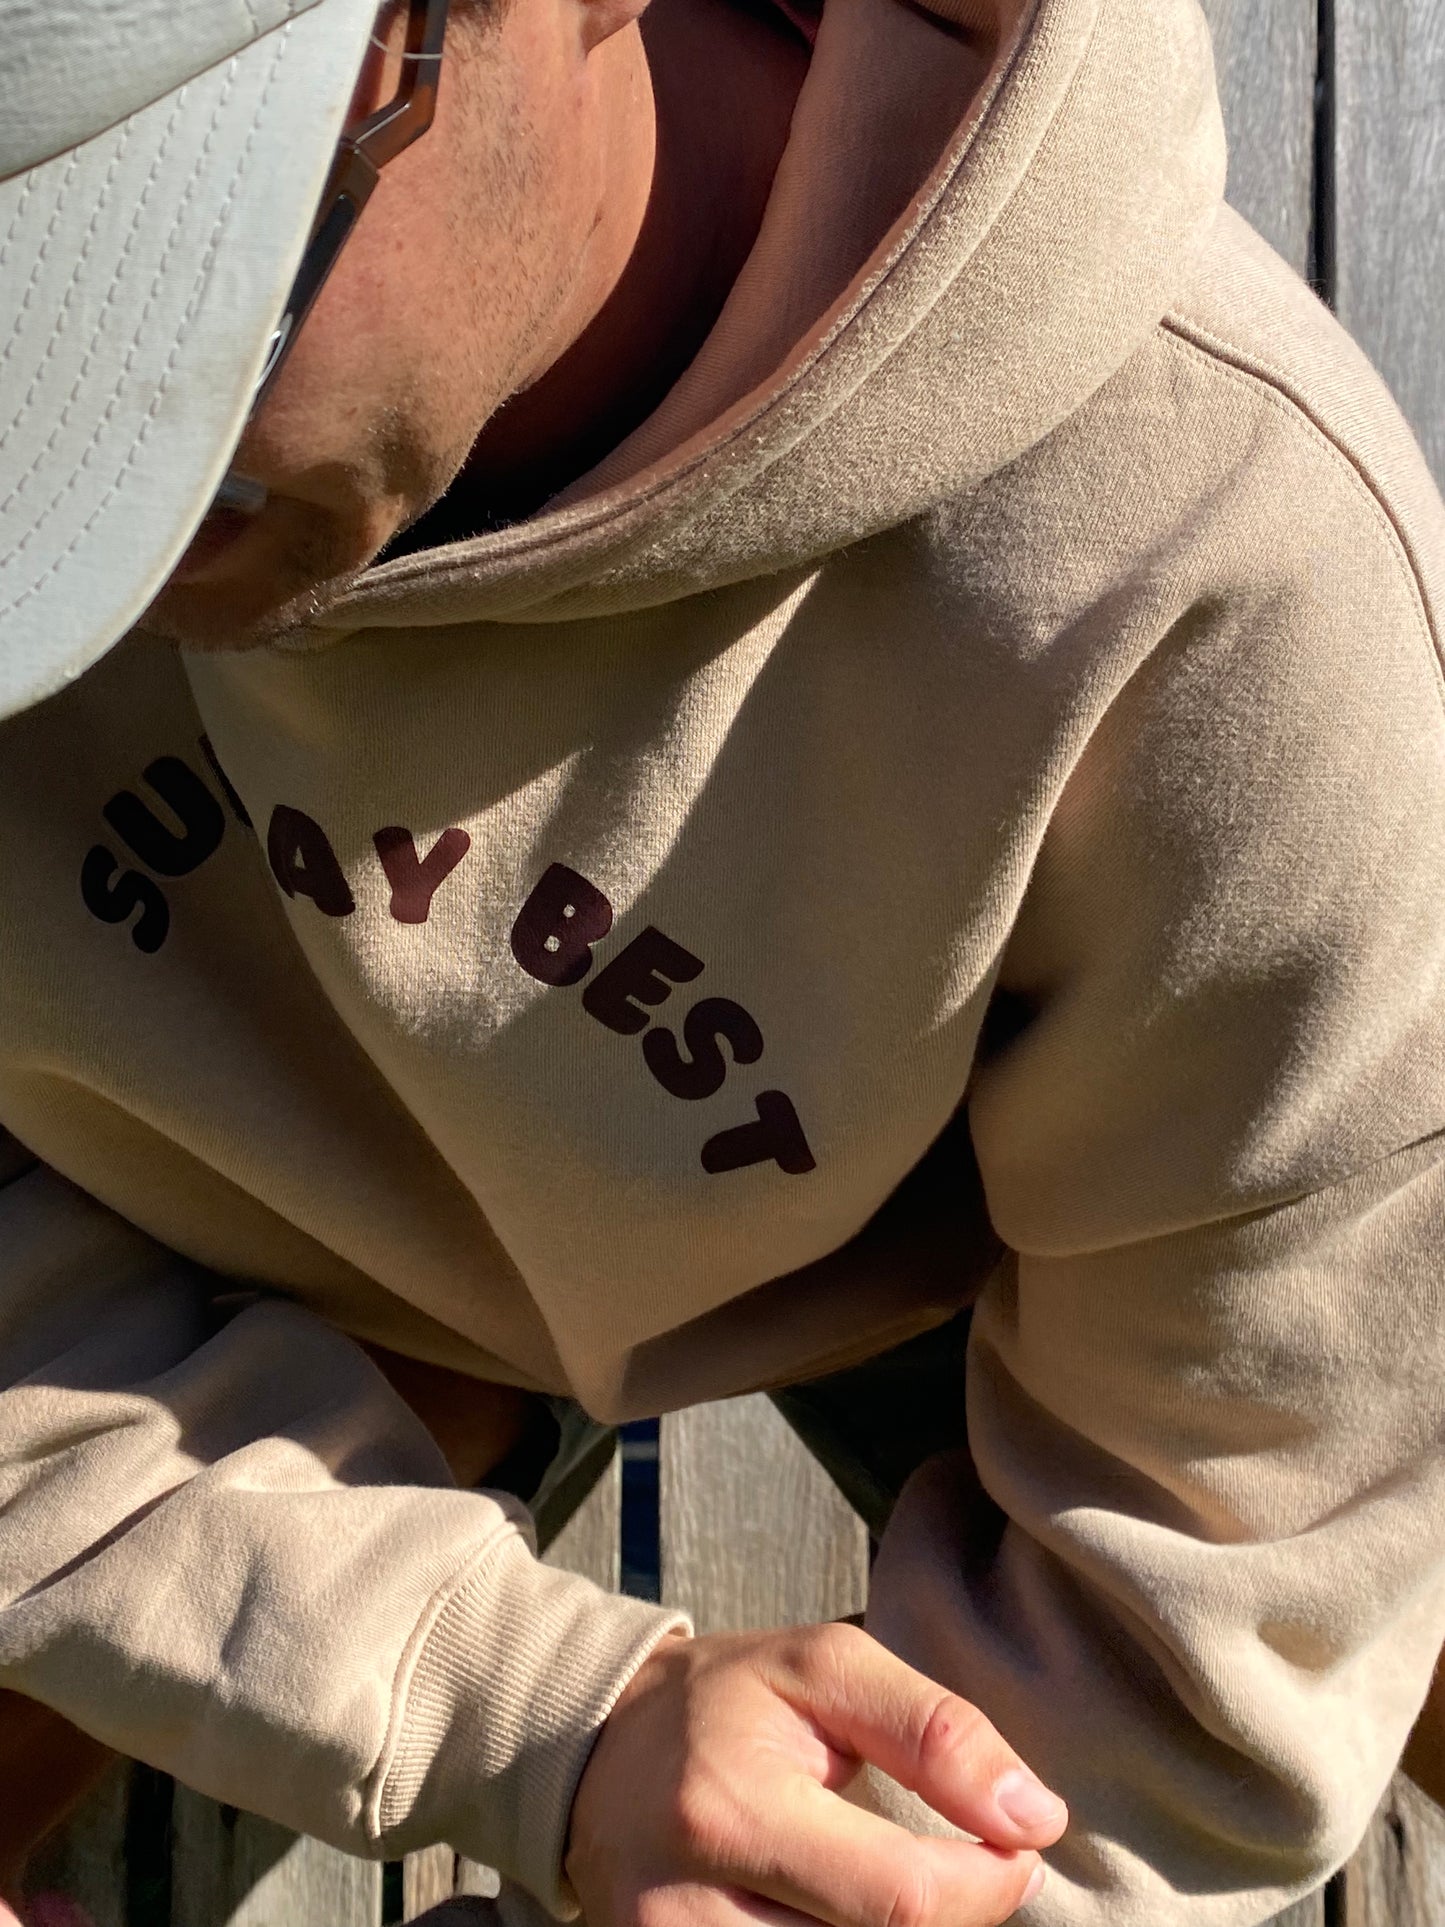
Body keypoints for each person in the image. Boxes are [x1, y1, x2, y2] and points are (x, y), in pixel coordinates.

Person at [0, 0, 1442, 1921]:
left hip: (954, 1234)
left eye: (164, 271)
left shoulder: (1223, 568)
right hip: (168, 1209)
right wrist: (516, 1706)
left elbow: (1206, 1645)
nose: (72, 497)